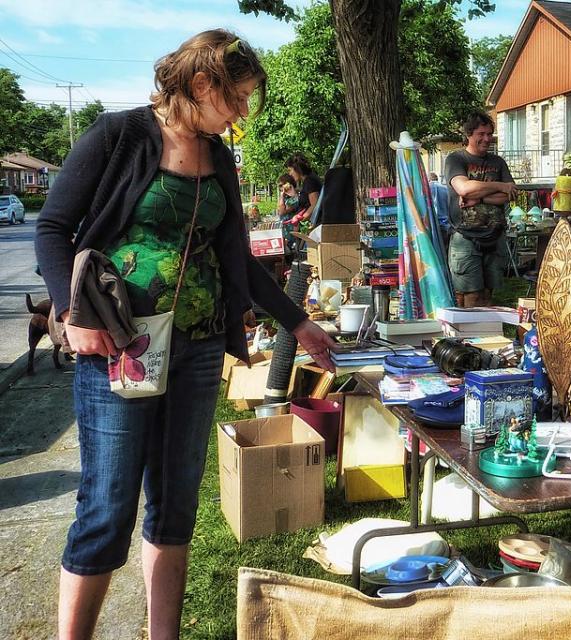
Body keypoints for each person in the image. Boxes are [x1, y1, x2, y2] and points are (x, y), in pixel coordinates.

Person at [34, 29, 336, 640]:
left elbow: (237, 259)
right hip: (122, 348)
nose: (243, 112)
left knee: (174, 507)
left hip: (196, 351)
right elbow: (53, 229)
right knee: (107, 509)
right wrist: (73, 315)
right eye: (238, 98)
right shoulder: (117, 136)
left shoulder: (219, 156)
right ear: (202, 85)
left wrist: (296, 320)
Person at [444, 112, 518, 308]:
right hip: (466, 238)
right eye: (481, 133)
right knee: (469, 296)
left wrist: (480, 198)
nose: (487, 139)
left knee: (487, 295)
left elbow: (510, 194)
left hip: (495, 236)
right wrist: (500, 186)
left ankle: (486, 336)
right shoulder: (456, 159)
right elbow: (464, 188)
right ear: (469, 134)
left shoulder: (498, 162)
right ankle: (468, 337)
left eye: (490, 134)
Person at [284, 152, 322, 222]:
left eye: (290, 170)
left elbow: (315, 205)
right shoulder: (308, 180)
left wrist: (299, 218)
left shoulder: (309, 181)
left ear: (297, 168)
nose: (290, 174)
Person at [277, 173, 300, 249]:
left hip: (291, 229)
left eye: (281, 185)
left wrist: (282, 196)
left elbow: (282, 211)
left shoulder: (294, 197)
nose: (280, 188)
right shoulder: (287, 197)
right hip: (286, 228)